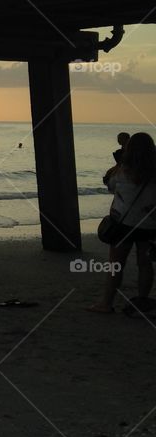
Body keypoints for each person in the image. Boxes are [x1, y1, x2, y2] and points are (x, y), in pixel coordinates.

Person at [89, 132, 156, 314]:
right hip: (149, 224)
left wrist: (118, 163)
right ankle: (142, 302)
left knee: (115, 264)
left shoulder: (121, 171)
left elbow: (110, 186)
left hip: (122, 223)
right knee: (145, 264)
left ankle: (106, 303)